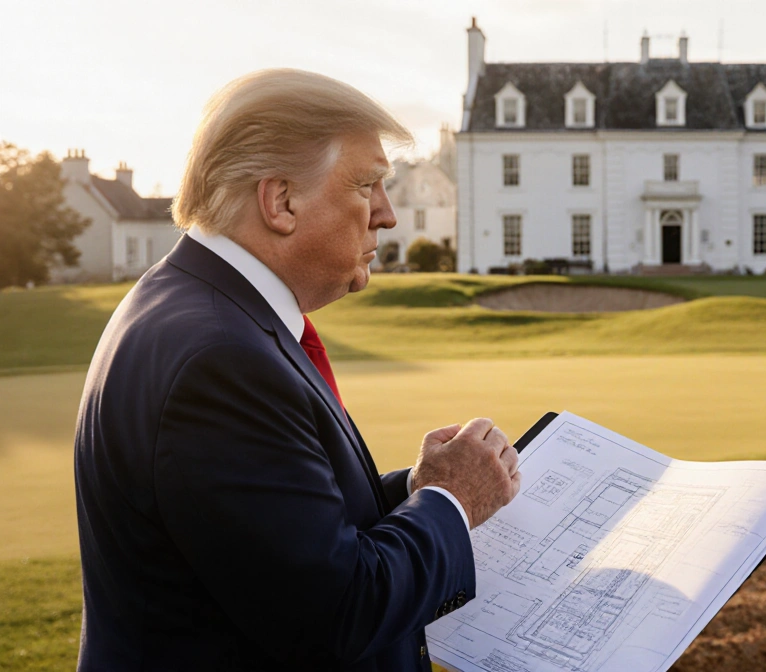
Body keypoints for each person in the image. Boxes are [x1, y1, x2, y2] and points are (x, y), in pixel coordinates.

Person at [73, 69, 521, 671]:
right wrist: (452, 499)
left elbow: (282, 539)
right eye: (368, 186)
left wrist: (414, 490)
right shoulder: (219, 361)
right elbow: (337, 613)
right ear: (281, 200)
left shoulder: (202, 312)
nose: (387, 215)